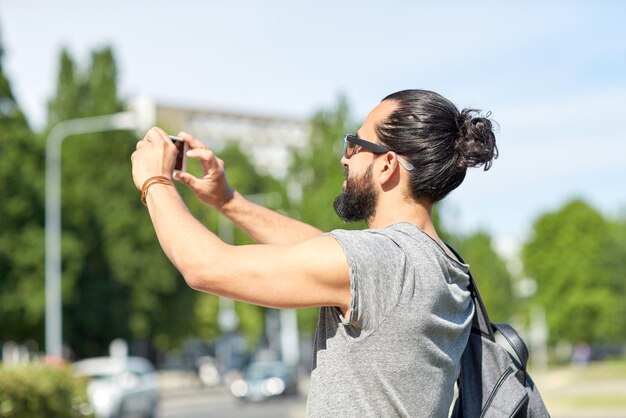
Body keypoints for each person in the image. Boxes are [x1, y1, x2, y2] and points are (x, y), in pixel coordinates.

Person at [131, 89, 498, 417]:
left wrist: (155, 181)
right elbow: (316, 248)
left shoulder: (383, 260)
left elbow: (205, 267)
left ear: (387, 165)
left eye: (355, 145)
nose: (345, 158)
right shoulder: (442, 263)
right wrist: (228, 201)